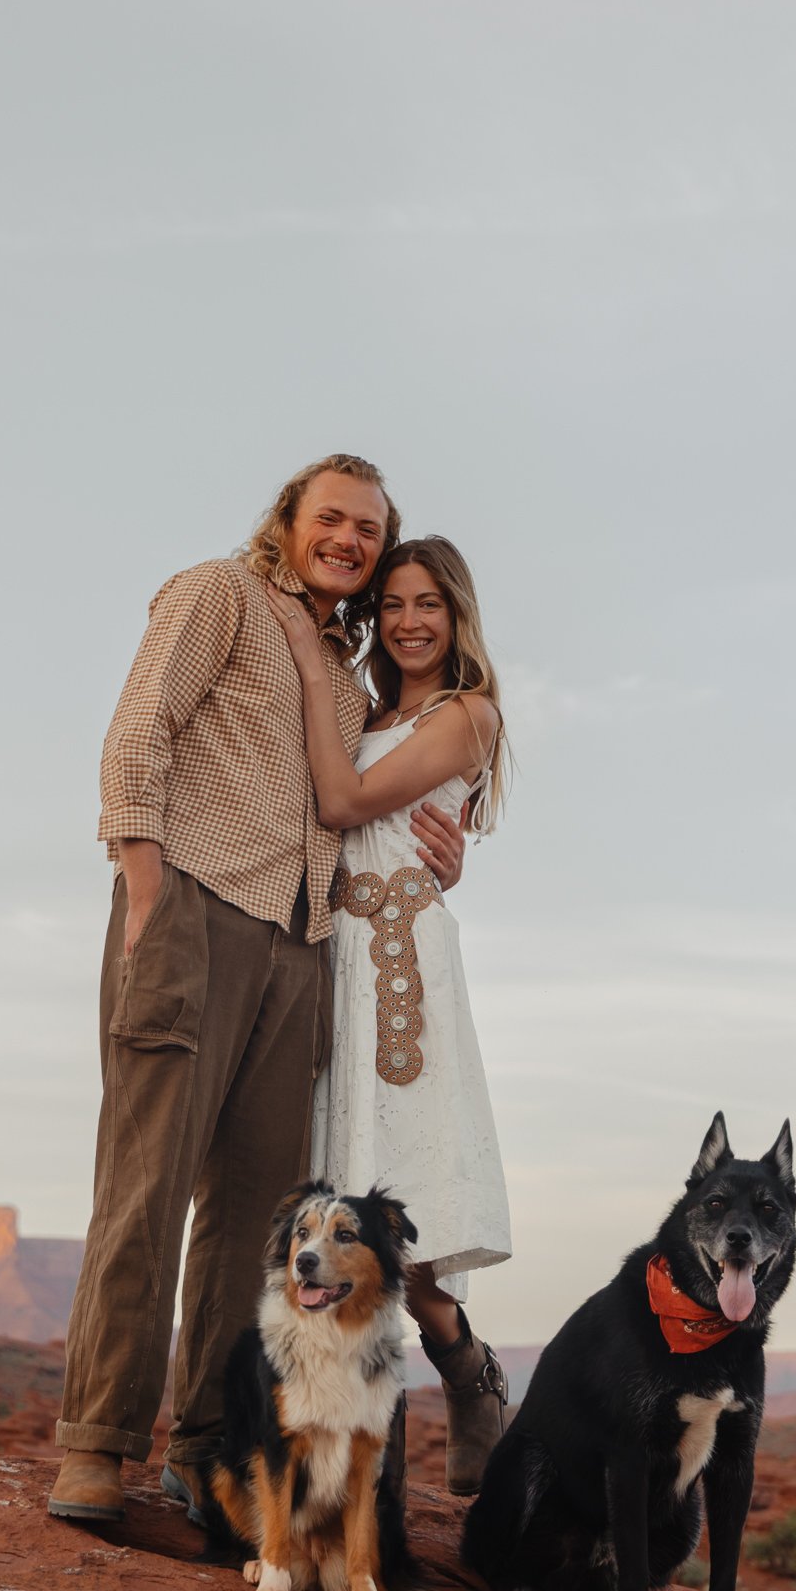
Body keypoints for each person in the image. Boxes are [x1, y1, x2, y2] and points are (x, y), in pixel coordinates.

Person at [49, 455, 467, 1525]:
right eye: (330, 518)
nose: (348, 538)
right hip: (192, 908)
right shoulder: (216, 595)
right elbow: (137, 730)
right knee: (145, 1189)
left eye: (367, 529)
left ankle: (205, 1455)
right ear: (287, 520)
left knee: (258, 1230)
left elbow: (365, 795)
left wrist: (443, 848)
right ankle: (95, 1449)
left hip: (302, 949)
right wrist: (143, 887)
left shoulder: (342, 667)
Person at [266, 536, 513, 1493]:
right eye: (396, 604)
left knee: (404, 1216)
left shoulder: (468, 715)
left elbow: (342, 799)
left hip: (404, 964)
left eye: (430, 605)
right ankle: (362, 1470)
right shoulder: (366, 711)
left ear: (457, 616)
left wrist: (298, 647)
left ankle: (468, 1367)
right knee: (341, 1217)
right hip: (338, 960)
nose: (410, 621)